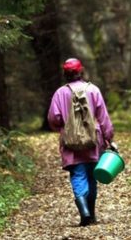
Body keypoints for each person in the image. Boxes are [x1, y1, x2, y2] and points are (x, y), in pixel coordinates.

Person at [47, 58, 114, 226]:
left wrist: (62, 127)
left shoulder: (60, 93)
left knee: (78, 174)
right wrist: (108, 137)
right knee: (92, 176)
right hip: (94, 140)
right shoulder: (93, 90)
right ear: (81, 71)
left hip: (71, 142)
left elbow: (53, 118)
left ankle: (83, 211)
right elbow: (103, 117)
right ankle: (91, 214)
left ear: (65, 74)